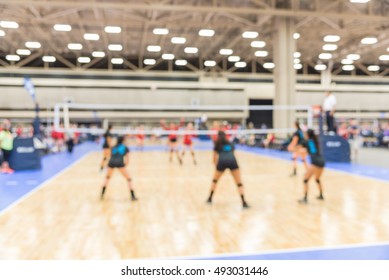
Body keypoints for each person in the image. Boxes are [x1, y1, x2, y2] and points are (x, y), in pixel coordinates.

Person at [206, 131, 249, 209]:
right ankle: (244, 202)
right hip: (233, 162)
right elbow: (232, 155)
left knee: (214, 181)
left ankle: (209, 198)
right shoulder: (231, 143)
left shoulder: (217, 144)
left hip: (221, 162)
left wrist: (218, 168)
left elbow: (214, 159)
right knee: (239, 183)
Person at [100, 136, 137, 201]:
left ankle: (102, 194)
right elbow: (127, 160)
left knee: (107, 178)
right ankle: (133, 196)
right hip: (120, 163)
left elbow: (107, 156)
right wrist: (123, 166)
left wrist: (103, 166)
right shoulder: (125, 147)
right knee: (129, 179)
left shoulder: (113, 147)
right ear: (123, 140)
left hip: (111, 163)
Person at [298, 129, 325, 204]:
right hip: (322, 161)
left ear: (308, 135)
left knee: (305, 180)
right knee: (317, 179)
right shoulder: (315, 141)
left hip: (315, 162)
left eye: (305, 134)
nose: (304, 135)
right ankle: (321, 195)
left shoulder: (306, 142)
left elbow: (300, 149)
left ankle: (305, 198)